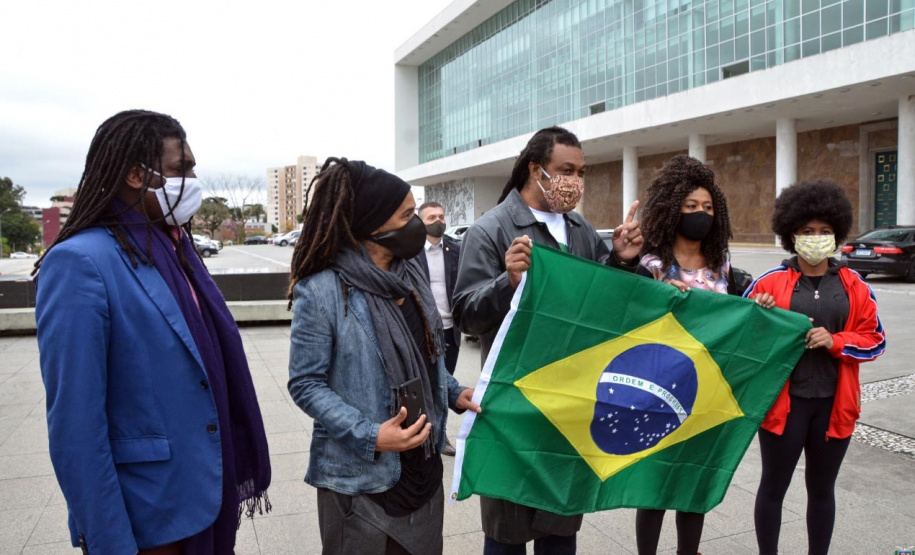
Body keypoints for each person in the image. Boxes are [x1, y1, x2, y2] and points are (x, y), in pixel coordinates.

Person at [33, 110, 272, 555]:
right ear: (134, 175)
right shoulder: (80, 262)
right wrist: (110, 543)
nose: (195, 180)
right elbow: (76, 427)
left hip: (206, 495)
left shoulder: (176, 248)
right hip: (149, 517)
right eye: (182, 169)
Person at [452, 126, 643, 555]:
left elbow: (605, 305)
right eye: (566, 170)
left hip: (570, 403)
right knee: (507, 530)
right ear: (536, 170)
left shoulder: (579, 230)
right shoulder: (491, 230)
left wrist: (621, 261)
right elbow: (466, 313)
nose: (575, 181)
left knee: (561, 528)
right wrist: (508, 281)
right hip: (514, 406)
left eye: (581, 171)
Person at [286, 158, 480, 555]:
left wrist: (452, 391)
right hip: (361, 483)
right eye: (408, 215)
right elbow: (305, 383)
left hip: (422, 473)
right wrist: (372, 435)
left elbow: (426, 357)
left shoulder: (411, 274)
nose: (419, 226)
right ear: (373, 224)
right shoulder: (321, 290)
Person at [744, 180, 886, 555]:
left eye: (824, 231)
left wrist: (837, 341)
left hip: (833, 406)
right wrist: (758, 315)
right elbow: (744, 340)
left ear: (836, 233)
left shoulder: (854, 285)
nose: (816, 238)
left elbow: (875, 339)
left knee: (822, 490)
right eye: (808, 231)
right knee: (773, 487)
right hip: (783, 407)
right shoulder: (769, 283)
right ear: (792, 234)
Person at [633, 155, 736, 555]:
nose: (700, 214)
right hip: (658, 393)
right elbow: (629, 319)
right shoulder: (652, 265)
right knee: (655, 487)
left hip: (707, 394)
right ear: (672, 207)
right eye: (691, 206)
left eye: (708, 207)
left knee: (694, 485)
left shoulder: (723, 266)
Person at [415, 201, 462, 456]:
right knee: (428, 384)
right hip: (423, 331)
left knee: (445, 386)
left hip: (450, 330)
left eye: (442, 216)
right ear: (420, 222)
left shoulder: (455, 249)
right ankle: (427, 434)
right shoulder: (411, 253)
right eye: (432, 216)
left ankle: (441, 435)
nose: (438, 220)